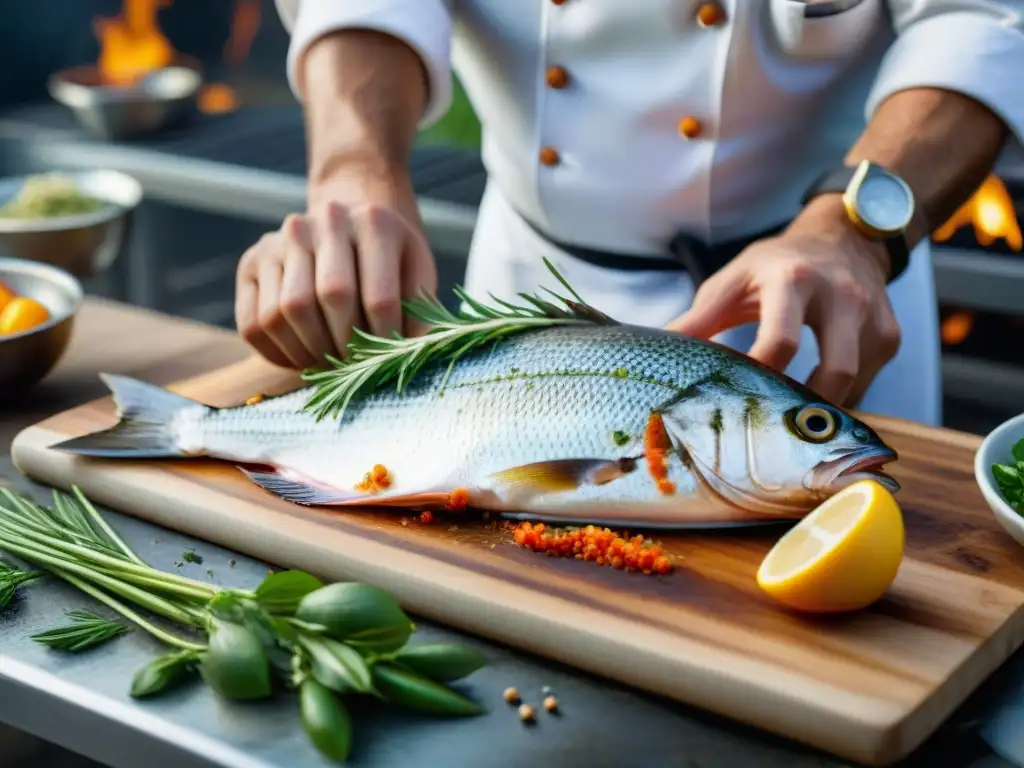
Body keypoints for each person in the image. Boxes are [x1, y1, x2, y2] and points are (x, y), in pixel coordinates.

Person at [237, 0, 1024, 427]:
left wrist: (853, 232)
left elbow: (987, 16)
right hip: (525, 287)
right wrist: (354, 170)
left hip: (824, 312)